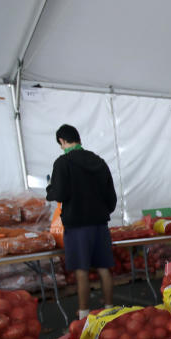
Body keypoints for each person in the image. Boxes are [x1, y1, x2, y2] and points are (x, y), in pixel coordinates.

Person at [46, 124, 118, 320]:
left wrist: (49, 190)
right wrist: (102, 212)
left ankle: (84, 313)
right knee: (104, 267)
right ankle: (110, 309)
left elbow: (59, 193)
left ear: (62, 141)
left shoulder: (62, 163)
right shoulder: (99, 161)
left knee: (81, 270)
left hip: (77, 226)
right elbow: (111, 196)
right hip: (100, 224)